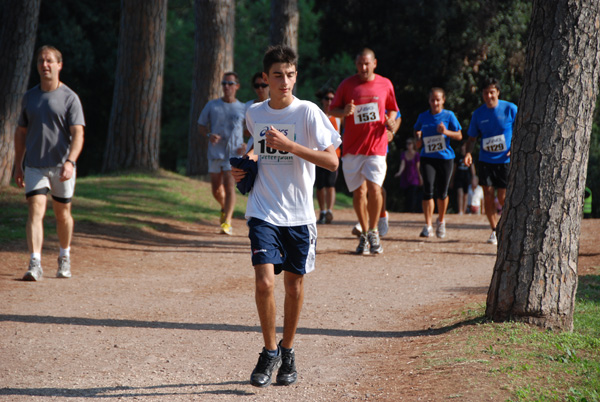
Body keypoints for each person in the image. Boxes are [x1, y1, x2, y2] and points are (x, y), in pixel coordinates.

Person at [232, 45, 340, 388]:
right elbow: (258, 146)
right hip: (264, 210)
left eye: (290, 75)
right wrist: (246, 163)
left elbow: (332, 161)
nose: (284, 81)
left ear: (296, 76)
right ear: (265, 78)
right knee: (264, 282)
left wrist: (290, 146)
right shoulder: (254, 113)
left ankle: (288, 350)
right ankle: (269, 351)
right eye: (277, 75)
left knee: (293, 286)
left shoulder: (307, 113)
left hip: (299, 215)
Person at [13, 45, 85, 281]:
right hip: (35, 165)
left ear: (59, 65)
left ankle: (64, 256)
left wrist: (70, 162)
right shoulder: (29, 97)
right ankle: (35, 263)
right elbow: (21, 132)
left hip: (61, 166)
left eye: (49, 61)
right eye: (41, 61)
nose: (44, 65)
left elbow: (78, 134)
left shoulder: (70, 98)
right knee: (36, 210)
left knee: (62, 214)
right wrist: (18, 163)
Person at [329, 48, 398, 255]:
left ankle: (374, 231)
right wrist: (344, 112)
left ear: (375, 63)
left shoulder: (385, 84)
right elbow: (332, 109)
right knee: (359, 192)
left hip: (376, 145)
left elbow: (393, 108)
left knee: (375, 189)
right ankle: (365, 232)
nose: (363, 68)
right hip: (352, 148)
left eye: (367, 63)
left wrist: (392, 120)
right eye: (360, 63)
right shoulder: (347, 84)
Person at [464, 78, 518, 245]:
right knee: (487, 194)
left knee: (502, 197)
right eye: (486, 93)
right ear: (482, 95)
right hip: (486, 159)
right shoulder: (478, 114)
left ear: (497, 93)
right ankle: (494, 230)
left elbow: (522, 129)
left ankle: (509, 226)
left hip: (505, 159)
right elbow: (472, 137)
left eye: (492, 92)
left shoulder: (510, 109)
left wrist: (515, 147)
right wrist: (468, 153)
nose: (489, 96)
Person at [198, 71, 246, 235]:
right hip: (215, 153)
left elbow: (250, 130)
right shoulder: (212, 105)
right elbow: (201, 125)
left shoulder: (243, 108)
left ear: (237, 87)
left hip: (233, 153)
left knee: (230, 185)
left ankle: (227, 222)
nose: (226, 86)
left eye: (230, 84)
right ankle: (224, 207)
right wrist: (208, 135)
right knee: (216, 190)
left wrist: (246, 145)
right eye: (224, 83)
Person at [414, 87, 462, 238]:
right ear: (429, 101)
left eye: (438, 100)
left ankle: (441, 221)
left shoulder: (449, 115)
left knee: (442, 192)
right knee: (428, 189)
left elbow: (459, 135)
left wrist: (445, 132)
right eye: (432, 100)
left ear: (443, 100)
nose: (435, 103)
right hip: (427, 158)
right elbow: (417, 136)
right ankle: (427, 225)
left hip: (445, 158)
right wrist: (418, 139)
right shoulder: (423, 117)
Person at [314, 87, 341, 224]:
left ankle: (329, 210)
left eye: (332, 99)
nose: (329, 101)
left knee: (330, 185)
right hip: (318, 155)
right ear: (322, 100)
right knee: (320, 186)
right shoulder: (317, 116)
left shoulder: (337, 118)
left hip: (333, 156)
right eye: (327, 98)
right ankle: (322, 211)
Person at [394, 137, 422, 213]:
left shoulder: (416, 154)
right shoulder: (403, 154)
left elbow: (418, 167)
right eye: (407, 143)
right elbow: (402, 164)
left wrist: (420, 177)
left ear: (413, 145)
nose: (408, 145)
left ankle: (412, 211)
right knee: (406, 195)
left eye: (410, 143)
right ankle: (406, 211)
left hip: (414, 177)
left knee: (413, 195)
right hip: (405, 177)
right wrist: (399, 172)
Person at [244, 72, 270, 139]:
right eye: (256, 86)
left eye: (263, 85)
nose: (260, 88)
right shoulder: (248, 106)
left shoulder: (277, 106)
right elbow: (243, 131)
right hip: (252, 146)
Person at [451, 142, 476, 215]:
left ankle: (464, 210)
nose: (463, 148)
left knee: (466, 194)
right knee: (460, 193)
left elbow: (472, 169)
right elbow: (454, 169)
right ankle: (460, 210)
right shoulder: (458, 157)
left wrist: (474, 177)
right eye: (462, 146)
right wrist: (452, 180)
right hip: (459, 177)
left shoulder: (469, 157)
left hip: (467, 177)